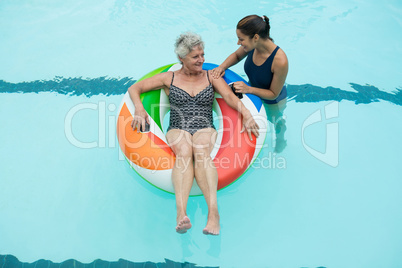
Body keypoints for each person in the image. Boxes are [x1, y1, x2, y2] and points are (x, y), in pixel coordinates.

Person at [128, 32, 260, 235]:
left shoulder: (211, 76)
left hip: (205, 126)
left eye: (202, 54)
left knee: (200, 151)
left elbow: (229, 97)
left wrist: (247, 114)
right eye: (195, 57)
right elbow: (135, 88)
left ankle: (213, 214)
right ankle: (181, 214)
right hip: (177, 127)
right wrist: (139, 108)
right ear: (181, 58)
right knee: (183, 151)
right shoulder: (168, 78)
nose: (202, 60)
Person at [212, 15, 289, 152]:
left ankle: (281, 136)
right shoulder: (254, 45)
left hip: (273, 101)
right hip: (252, 90)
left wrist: (249, 89)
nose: (238, 43)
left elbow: (273, 93)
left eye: (241, 39)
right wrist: (222, 67)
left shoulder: (280, 60)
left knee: (275, 122)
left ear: (256, 37)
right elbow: (236, 56)